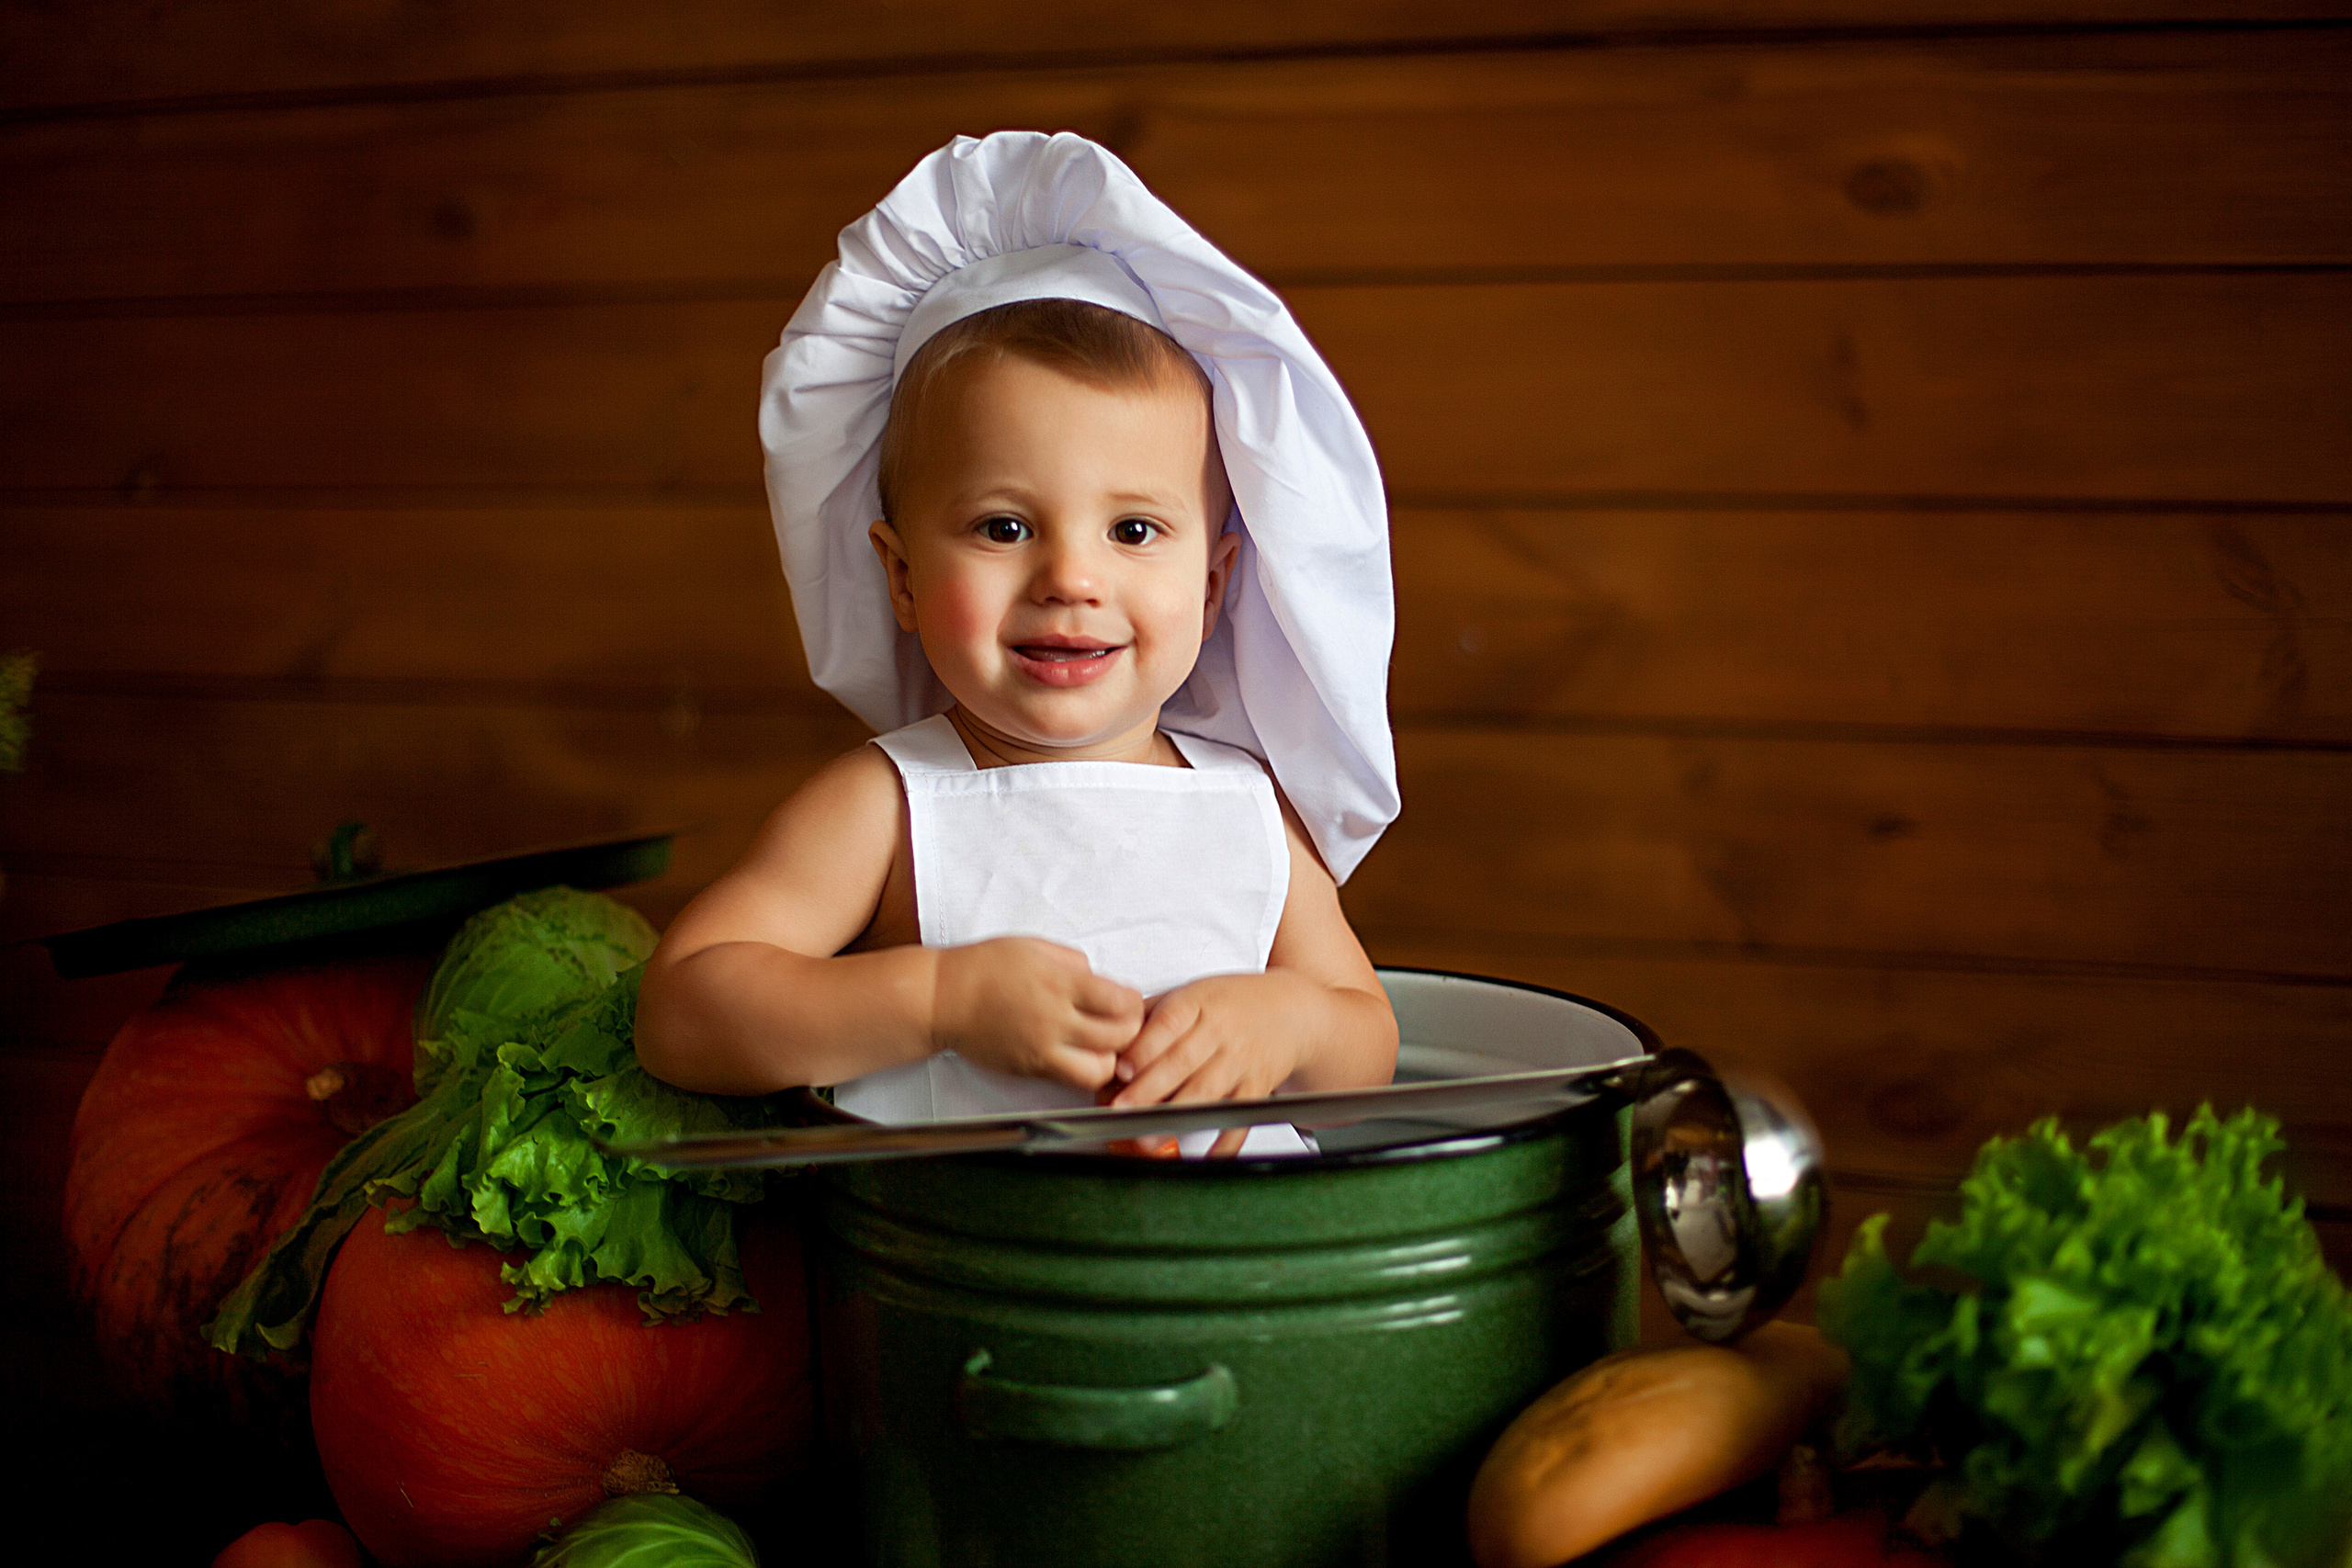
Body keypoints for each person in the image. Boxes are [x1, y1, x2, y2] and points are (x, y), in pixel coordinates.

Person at [635, 132, 1402, 1155]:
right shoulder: (887, 803)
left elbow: (1369, 1041)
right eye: (1004, 527)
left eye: (1133, 531)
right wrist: (935, 997)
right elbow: (685, 1011)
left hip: (1241, 1282)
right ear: (901, 576)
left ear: (1213, 587)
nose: (1071, 580)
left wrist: (1289, 1023)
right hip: (968, 1278)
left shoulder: (1249, 809)